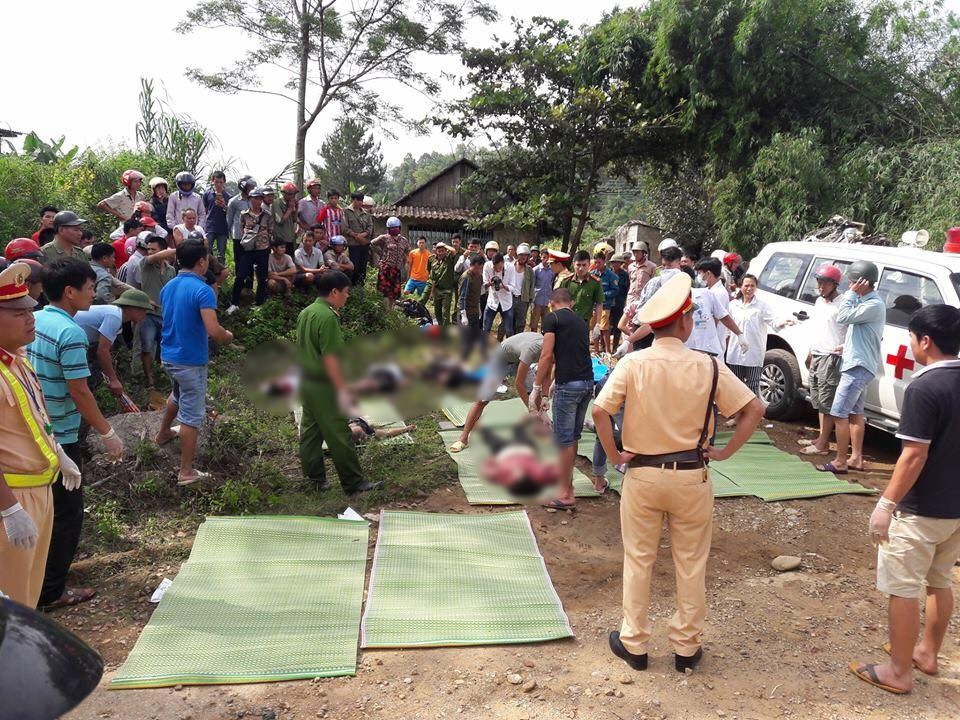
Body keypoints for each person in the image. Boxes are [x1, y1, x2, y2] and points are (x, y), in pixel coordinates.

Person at [594, 272, 764, 673]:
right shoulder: (708, 365)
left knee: (639, 560)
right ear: (685, 322)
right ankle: (686, 647)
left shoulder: (633, 362)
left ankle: (634, 643)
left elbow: (600, 411)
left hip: (642, 475)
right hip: (692, 475)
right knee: (691, 563)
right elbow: (754, 408)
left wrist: (615, 454)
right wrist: (724, 452)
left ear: (654, 326)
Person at [850, 304, 960, 695]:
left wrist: (886, 504)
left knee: (903, 587)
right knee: (939, 580)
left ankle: (898, 672)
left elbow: (914, 455)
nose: (910, 345)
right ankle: (927, 653)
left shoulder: (925, 387)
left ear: (925, 340)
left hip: (920, 510)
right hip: (954, 508)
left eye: (912, 338)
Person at [28, 259, 124, 610]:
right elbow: (80, 391)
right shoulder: (71, 333)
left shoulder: (36, 319)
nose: (93, 294)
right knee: (67, 513)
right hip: (61, 434)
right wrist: (107, 431)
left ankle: (32, 580)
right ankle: (50, 592)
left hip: (35, 428)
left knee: (42, 510)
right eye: (89, 287)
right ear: (70, 292)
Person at [0, 262, 69, 608]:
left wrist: (58, 452)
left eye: (29, 310)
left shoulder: (18, 360)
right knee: (11, 607)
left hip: (39, 490)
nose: (31, 319)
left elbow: (33, 419)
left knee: (27, 595)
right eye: (18, 313)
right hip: (10, 498)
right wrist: (9, 508)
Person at [155, 240, 233, 485]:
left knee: (177, 394)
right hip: (190, 360)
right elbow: (213, 330)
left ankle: (163, 433)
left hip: (168, 355)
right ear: (201, 261)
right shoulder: (203, 290)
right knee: (191, 415)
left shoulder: (169, 286)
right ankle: (186, 471)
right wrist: (228, 337)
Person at [296, 270, 380, 495]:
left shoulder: (306, 312)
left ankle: (314, 479)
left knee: (311, 433)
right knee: (340, 434)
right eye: (346, 292)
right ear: (334, 292)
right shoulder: (327, 317)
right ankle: (354, 483)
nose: (347, 296)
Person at [817, 260, 885, 475]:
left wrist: (851, 294)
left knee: (839, 413)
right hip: (857, 362)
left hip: (857, 366)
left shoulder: (872, 304)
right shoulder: (867, 302)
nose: (850, 286)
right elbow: (864, 333)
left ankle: (840, 461)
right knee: (856, 413)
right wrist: (847, 346)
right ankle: (855, 458)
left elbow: (843, 317)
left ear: (863, 282)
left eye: (853, 282)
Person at [529, 288, 593, 509]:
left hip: (569, 386)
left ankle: (565, 494)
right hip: (586, 383)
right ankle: (569, 487)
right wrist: (550, 388)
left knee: (563, 441)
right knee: (572, 438)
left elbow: (547, 355)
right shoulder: (581, 321)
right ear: (570, 302)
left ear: (551, 303)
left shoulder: (552, 319)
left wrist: (536, 387)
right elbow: (570, 354)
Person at [447, 332, 544, 453]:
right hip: (499, 359)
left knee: (536, 394)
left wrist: (544, 397)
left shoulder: (551, 349)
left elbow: (544, 378)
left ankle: (542, 429)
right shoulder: (532, 349)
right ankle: (463, 438)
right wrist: (531, 409)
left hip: (518, 359)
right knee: (482, 400)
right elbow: (518, 384)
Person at [798, 264, 845, 457]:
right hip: (817, 354)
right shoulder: (819, 302)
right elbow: (817, 329)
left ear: (835, 284)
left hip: (831, 357)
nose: (821, 287)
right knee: (818, 400)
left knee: (827, 402)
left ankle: (823, 444)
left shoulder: (843, 304)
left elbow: (850, 331)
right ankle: (820, 438)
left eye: (825, 283)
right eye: (819, 282)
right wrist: (810, 352)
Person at [724, 274, 793, 396]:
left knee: (752, 388)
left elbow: (773, 321)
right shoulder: (733, 305)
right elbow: (727, 329)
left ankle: (752, 409)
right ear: (740, 287)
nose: (749, 289)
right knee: (735, 387)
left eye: (752, 286)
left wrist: (784, 322)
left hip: (754, 354)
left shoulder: (762, 306)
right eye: (746, 286)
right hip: (735, 353)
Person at [73, 290, 151, 396]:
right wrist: (113, 379)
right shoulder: (115, 316)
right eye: (143, 310)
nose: (144, 315)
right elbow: (102, 351)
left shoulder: (116, 315)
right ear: (132, 308)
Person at [137, 236, 177, 388]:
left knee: (166, 347)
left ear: (162, 249)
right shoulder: (145, 263)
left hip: (166, 314)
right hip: (148, 314)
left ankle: (165, 376)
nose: (149, 252)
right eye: (148, 249)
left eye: (153, 249)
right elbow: (154, 258)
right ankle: (149, 380)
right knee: (147, 347)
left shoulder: (171, 270)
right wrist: (181, 249)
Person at [229, 187, 273, 313]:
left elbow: (271, 230)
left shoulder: (267, 215)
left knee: (262, 277)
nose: (258, 201)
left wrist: (264, 239)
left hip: (263, 248)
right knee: (240, 276)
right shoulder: (244, 214)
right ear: (249, 199)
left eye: (260, 198)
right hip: (247, 249)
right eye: (255, 198)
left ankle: (259, 303)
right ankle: (234, 303)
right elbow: (242, 229)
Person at [560, 250, 604, 336]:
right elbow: (559, 301)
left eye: (584, 265)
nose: (581, 268)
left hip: (584, 322)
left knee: (582, 344)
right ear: (573, 264)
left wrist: (598, 324)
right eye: (578, 265)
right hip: (567, 320)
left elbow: (599, 303)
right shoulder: (566, 281)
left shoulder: (595, 282)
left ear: (589, 265)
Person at [371, 217, 409, 311]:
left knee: (394, 292)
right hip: (385, 268)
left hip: (397, 269)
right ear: (388, 229)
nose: (394, 229)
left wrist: (404, 263)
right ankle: (385, 310)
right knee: (385, 292)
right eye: (392, 228)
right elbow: (372, 244)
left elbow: (407, 252)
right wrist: (381, 254)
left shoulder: (404, 240)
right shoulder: (384, 238)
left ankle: (391, 311)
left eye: (396, 227)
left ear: (399, 228)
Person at [694, 257, 732, 351]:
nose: (699, 276)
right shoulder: (708, 290)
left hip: (713, 345)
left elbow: (715, 320)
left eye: (700, 273)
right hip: (706, 344)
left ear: (708, 274)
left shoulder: (719, 293)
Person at [482, 253, 519, 338]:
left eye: (499, 268)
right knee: (486, 328)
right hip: (492, 301)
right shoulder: (487, 266)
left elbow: (513, 287)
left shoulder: (510, 267)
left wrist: (503, 286)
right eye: (495, 268)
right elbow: (484, 284)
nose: (497, 270)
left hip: (506, 302)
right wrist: (490, 283)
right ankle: (483, 345)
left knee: (509, 330)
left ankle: (509, 346)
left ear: (503, 262)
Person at [458, 255, 486, 360]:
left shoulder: (479, 276)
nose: (480, 270)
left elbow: (478, 292)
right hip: (466, 312)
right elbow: (462, 297)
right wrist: (463, 314)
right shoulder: (466, 277)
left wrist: (479, 308)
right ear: (472, 265)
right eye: (478, 268)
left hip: (474, 311)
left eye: (481, 268)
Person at [343, 190, 373, 286]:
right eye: (358, 200)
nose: (361, 202)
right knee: (354, 265)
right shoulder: (346, 211)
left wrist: (363, 235)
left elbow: (370, 226)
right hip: (353, 244)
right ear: (353, 200)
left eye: (361, 200)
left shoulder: (366, 213)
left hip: (364, 243)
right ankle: (352, 286)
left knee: (363, 265)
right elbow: (344, 228)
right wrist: (356, 236)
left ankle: (361, 286)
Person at [591, 250, 619, 353]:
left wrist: (603, 295)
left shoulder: (611, 275)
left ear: (604, 261)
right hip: (593, 306)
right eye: (595, 262)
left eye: (599, 262)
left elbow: (615, 290)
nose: (597, 264)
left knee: (604, 328)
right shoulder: (592, 274)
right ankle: (596, 351)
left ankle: (608, 351)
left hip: (605, 305)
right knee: (594, 328)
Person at [202, 171, 232, 262]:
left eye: (221, 182)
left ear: (224, 182)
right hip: (209, 226)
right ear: (212, 181)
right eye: (216, 182)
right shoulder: (207, 194)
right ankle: (207, 270)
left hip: (222, 227)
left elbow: (231, 213)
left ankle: (221, 270)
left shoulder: (228, 197)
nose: (218, 184)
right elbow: (203, 211)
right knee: (206, 251)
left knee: (221, 254)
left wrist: (224, 206)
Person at [227, 175, 256, 264]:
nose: (252, 189)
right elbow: (229, 218)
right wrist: (228, 233)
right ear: (243, 187)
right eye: (250, 187)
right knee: (239, 260)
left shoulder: (254, 200)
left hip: (251, 235)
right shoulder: (234, 201)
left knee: (250, 261)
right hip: (238, 235)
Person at [427, 241, 457, 325]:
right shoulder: (434, 263)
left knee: (445, 313)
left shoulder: (449, 259)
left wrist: (444, 245)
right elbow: (433, 279)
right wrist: (432, 293)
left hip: (447, 291)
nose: (441, 253)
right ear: (436, 252)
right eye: (439, 251)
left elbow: (453, 251)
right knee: (437, 312)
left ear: (446, 251)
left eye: (443, 251)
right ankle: (441, 329)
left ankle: (445, 331)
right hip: (437, 290)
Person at [510, 243, 535, 335]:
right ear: (517, 255)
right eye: (521, 255)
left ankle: (518, 340)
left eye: (525, 255)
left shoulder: (530, 270)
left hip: (523, 300)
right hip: (510, 298)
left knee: (520, 323)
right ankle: (507, 341)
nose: (523, 257)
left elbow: (532, 286)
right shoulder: (510, 267)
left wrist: (531, 300)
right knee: (508, 321)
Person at [530, 250, 555, 332]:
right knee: (534, 325)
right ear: (540, 257)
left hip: (547, 301)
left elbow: (552, 284)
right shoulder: (535, 270)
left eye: (547, 258)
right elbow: (532, 285)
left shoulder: (552, 271)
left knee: (546, 325)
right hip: (537, 300)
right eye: (544, 257)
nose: (546, 259)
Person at [626, 240, 657, 306]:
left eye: (637, 252)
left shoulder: (652, 266)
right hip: (631, 299)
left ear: (644, 253)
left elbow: (654, 284)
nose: (635, 255)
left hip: (644, 300)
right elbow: (630, 282)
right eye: (634, 252)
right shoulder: (630, 267)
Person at [610, 252, 630, 348]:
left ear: (621, 263)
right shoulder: (608, 273)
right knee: (605, 325)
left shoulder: (625, 275)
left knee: (617, 324)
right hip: (608, 302)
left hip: (619, 302)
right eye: (614, 262)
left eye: (618, 262)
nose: (616, 264)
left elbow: (627, 288)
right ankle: (604, 346)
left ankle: (615, 346)